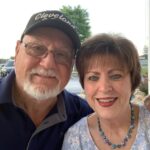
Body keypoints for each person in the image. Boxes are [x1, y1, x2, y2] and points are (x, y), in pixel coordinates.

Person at [0, 10, 92, 150]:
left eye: (62, 54)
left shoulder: (84, 116)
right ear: (17, 50)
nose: (48, 64)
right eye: (37, 48)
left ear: (72, 63)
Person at [62, 33, 150, 150]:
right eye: (93, 77)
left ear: (132, 80)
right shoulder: (75, 138)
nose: (104, 88)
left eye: (115, 76)